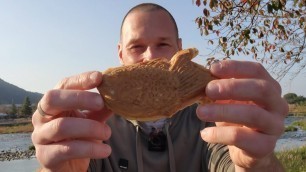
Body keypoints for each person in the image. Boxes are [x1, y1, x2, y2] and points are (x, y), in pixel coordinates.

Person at [32, 3, 288, 172]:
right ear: (120, 54)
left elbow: (229, 162)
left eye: (163, 45)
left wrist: (257, 163)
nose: (151, 56)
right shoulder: (93, 129)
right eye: (137, 47)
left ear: (179, 49)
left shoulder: (213, 116)